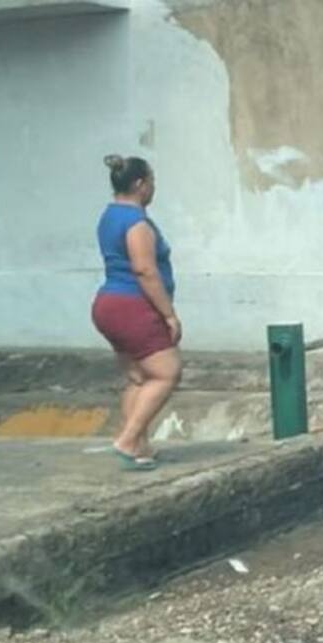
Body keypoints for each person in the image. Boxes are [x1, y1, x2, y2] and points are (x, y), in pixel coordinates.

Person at [91, 155, 183, 470]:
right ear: (140, 184)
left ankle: (138, 444)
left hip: (108, 305)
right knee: (167, 371)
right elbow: (145, 270)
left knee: (140, 376)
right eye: (152, 181)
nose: (154, 187)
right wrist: (169, 314)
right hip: (132, 305)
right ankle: (129, 439)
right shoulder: (136, 223)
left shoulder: (108, 216)